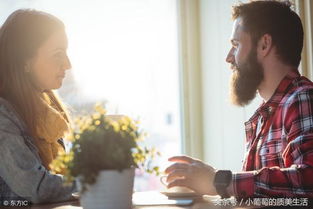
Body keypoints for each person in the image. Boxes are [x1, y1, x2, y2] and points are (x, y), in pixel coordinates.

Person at [165, 0, 313, 199]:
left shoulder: (302, 98)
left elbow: (308, 182)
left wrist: (219, 181)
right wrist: (210, 188)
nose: (228, 57)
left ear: (264, 44)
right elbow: (262, 200)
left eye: (236, 44)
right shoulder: (265, 115)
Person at [0, 9, 75, 203]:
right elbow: (37, 187)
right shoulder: (2, 115)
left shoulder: (46, 114)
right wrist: (96, 180)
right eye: (58, 54)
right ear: (24, 61)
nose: (67, 64)